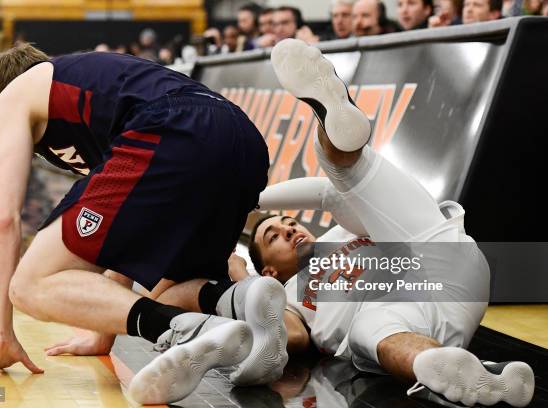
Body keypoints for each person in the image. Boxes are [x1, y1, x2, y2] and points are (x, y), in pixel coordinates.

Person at [131, 39, 535, 407]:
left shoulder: (344, 231)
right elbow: (288, 335)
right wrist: (225, 293)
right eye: (274, 235)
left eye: (289, 222)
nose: (289, 228)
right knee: (373, 333)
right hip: (410, 319)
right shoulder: (284, 295)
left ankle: (333, 119)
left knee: (346, 178)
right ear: (268, 269)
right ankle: (446, 367)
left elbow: (325, 196)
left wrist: (247, 199)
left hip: (439, 261)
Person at [0, 43, 271, 386]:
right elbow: (120, 236)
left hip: (174, 127)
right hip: (243, 140)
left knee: (28, 285)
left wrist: (1, 334)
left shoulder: (13, 95)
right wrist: (102, 333)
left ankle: (185, 331)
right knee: (175, 287)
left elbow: (5, 219)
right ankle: (249, 305)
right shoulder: (87, 85)